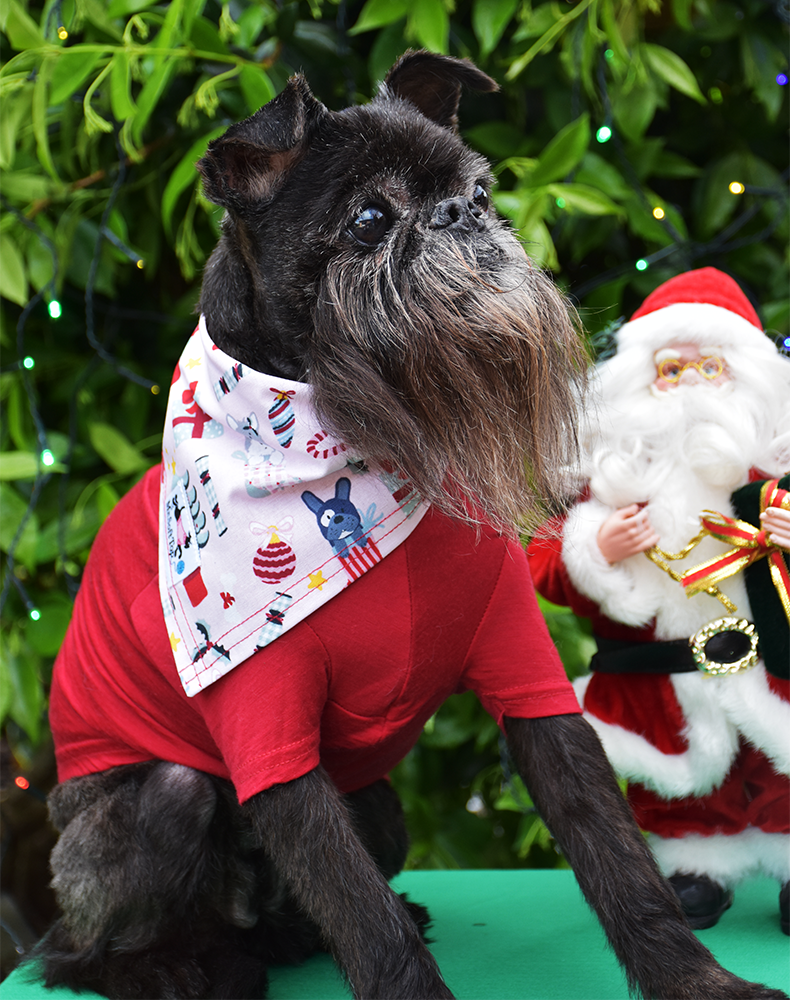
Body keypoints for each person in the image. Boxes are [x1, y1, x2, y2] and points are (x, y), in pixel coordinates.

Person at [529, 267, 790, 930]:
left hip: (776, 669)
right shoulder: (608, 474)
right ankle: (695, 865)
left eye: (711, 369)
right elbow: (544, 569)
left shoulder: (777, 462)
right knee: (677, 781)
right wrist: (595, 550)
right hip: (661, 680)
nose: (692, 388)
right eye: (673, 372)